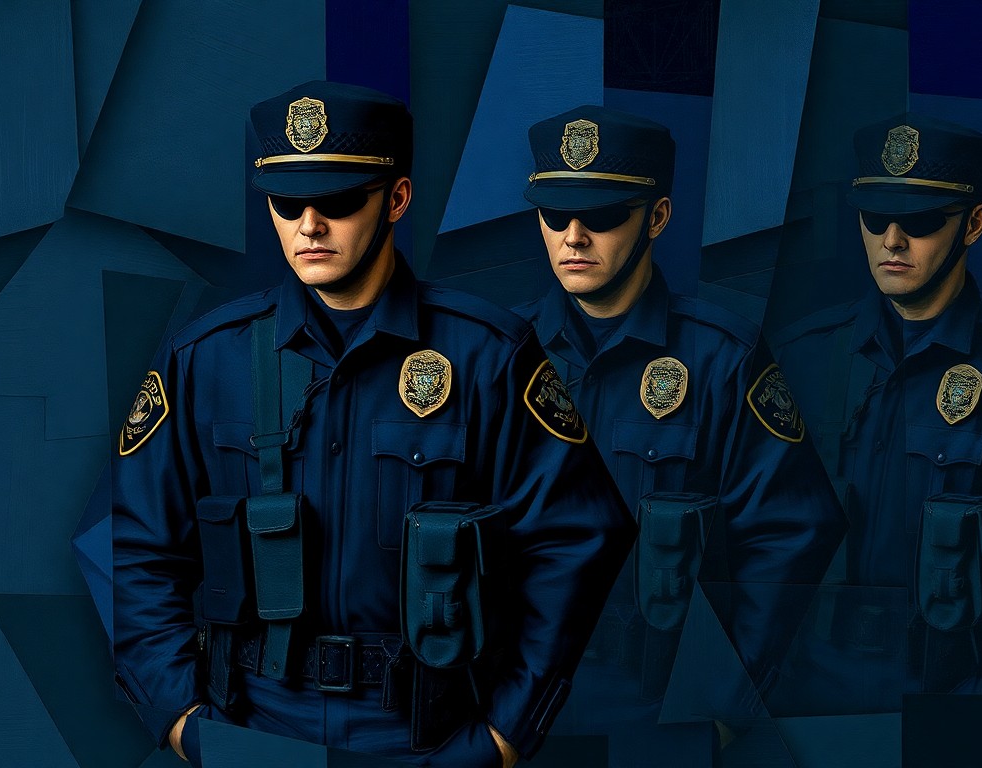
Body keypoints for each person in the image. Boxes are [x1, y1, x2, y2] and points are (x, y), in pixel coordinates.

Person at [83, 81, 636, 766]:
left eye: (339, 201)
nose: (310, 224)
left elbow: (577, 537)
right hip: (250, 724)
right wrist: (181, 719)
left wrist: (504, 736)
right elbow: (134, 545)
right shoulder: (206, 358)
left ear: (395, 199)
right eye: (288, 203)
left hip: (426, 732)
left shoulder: (488, 354)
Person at [514, 105, 846, 765]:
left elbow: (793, 530)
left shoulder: (722, 359)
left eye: (603, 215)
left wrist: (721, 702)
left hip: (658, 708)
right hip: (521, 704)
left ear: (656, 218)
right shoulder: (500, 355)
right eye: (555, 215)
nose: (573, 237)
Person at [775, 113, 982, 700]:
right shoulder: (803, 356)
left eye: (921, 221)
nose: (892, 241)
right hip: (803, 690)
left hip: (951, 694)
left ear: (974, 223)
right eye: (876, 218)